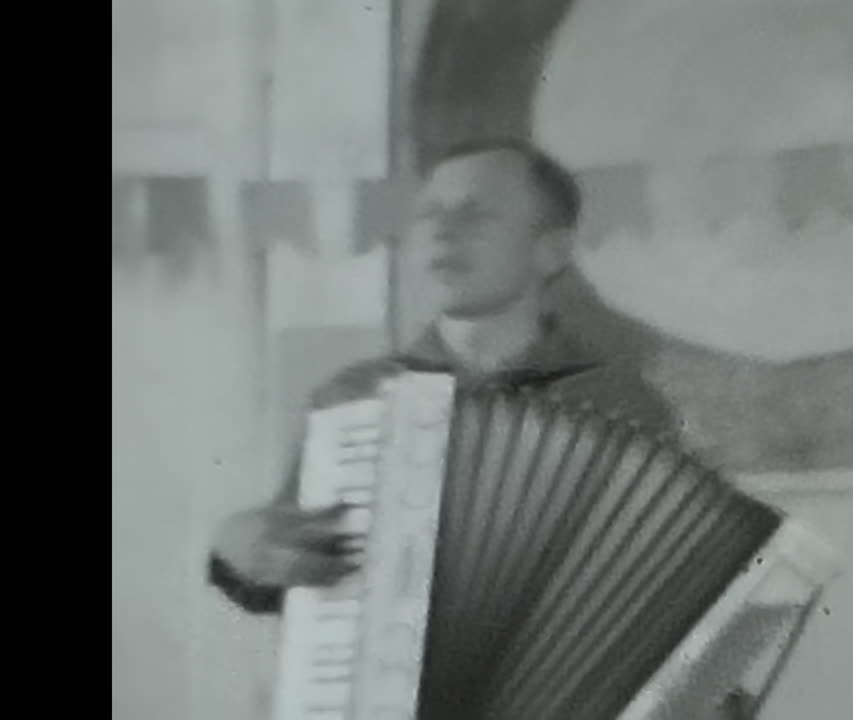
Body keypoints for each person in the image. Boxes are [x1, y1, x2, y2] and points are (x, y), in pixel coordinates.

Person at [207, 138, 678, 614]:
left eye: (477, 214)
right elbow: (284, 581)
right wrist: (237, 557)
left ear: (551, 251)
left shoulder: (623, 405)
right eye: (430, 214)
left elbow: (663, 587)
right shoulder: (354, 397)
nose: (444, 233)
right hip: (383, 687)